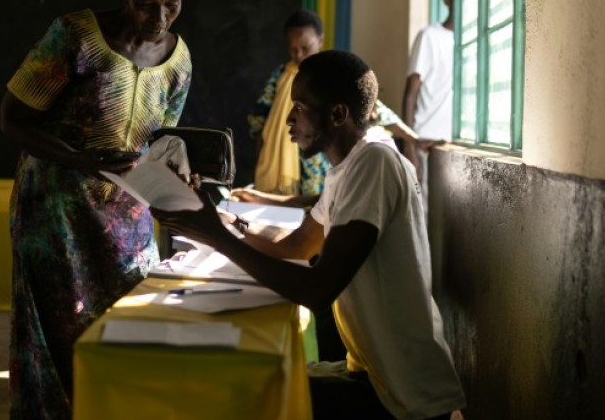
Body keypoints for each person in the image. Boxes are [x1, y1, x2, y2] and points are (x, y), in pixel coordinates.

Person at [154, 50, 466, 420]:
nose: (288, 120)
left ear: (337, 114)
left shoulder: (375, 162)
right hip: (375, 375)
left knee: (246, 397)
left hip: (405, 397)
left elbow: (318, 291)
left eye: (299, 108)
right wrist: (221, 224)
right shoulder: (346, 169)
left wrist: (217, 238)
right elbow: (298, 244)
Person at [0, 0, 191, 420]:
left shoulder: (179, 60)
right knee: (59, 325)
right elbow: (13, 119)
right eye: (148, 4)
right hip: (54, 210)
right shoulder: (75, 37)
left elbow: (163, 138)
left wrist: (177, 178)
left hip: (127, 213)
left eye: (173, 4)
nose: (160, 18)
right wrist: (82, 161)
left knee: (127, 317)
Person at [243, 9, 432, 208]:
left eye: (305, 48)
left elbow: (374, 107)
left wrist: (414, 140)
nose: (298, 55)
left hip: (318, 172)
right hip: (284, 174)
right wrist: (259, 180)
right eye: (293, 49)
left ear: (320, 40)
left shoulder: (365, 161)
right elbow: (259, 123)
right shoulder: (281, 76)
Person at [403, 0, 455, 203]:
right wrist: (408, 146)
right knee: (421, 217)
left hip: (450, 143)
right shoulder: (430, 36)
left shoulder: (472, 39)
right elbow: (410, 92)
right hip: (423, 142)